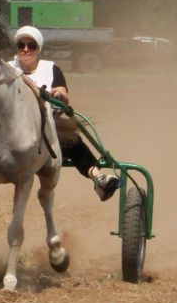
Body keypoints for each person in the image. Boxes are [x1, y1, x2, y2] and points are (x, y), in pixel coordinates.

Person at [13, 25, 120, 200]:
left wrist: (59, 95)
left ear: (38, 48)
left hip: (45, 124)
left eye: (31, 45)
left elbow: (63, 94)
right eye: (21, 45)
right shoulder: (7, 68)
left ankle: (97, 177)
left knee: (71, 139)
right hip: (12, 127)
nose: (26, 49)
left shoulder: (50, 68)